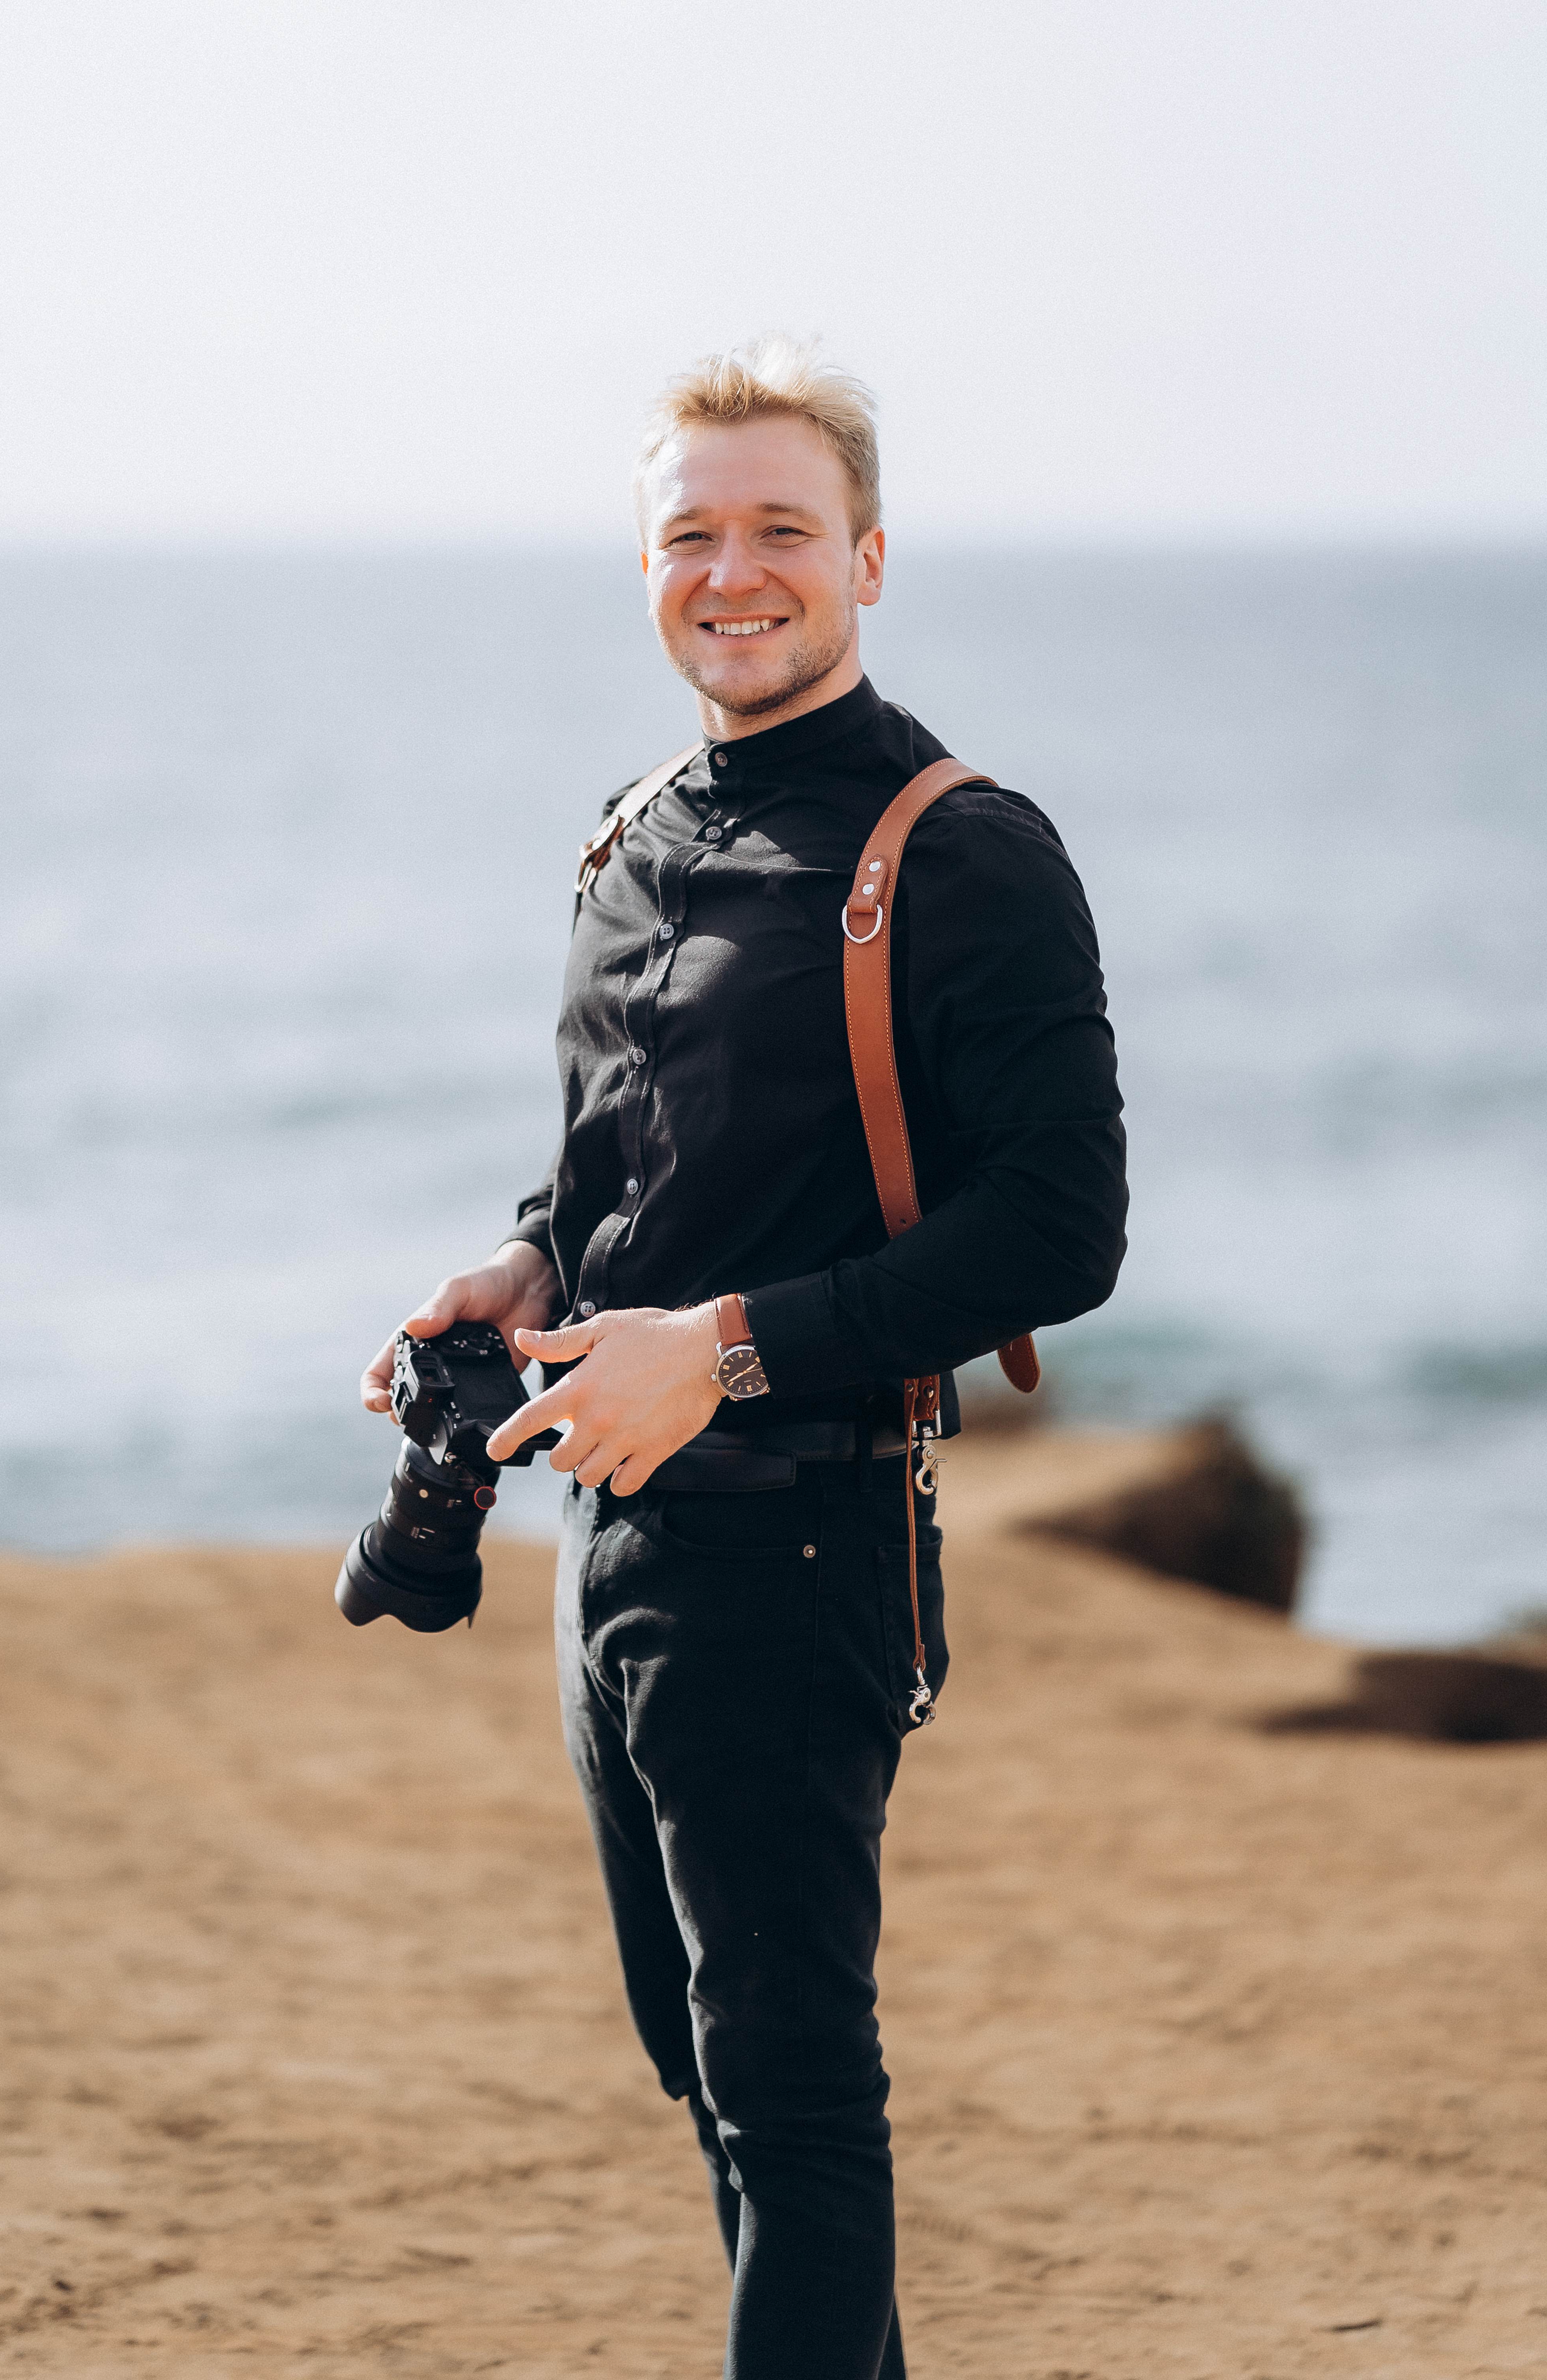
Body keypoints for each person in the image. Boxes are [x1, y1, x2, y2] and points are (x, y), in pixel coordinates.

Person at [360, 337, 1128, 2380]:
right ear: (645, 571)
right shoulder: (628, 834)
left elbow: (1064, 1232)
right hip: (602, 1566)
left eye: (782, 527)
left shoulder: (962, 853)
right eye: (689, 533)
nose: (735, 568)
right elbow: (622, 1173)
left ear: (865, 557)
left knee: (796, 2106)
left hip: (805, 1556)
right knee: (707, 2081)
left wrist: (721, 1347)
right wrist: (523, 1273)